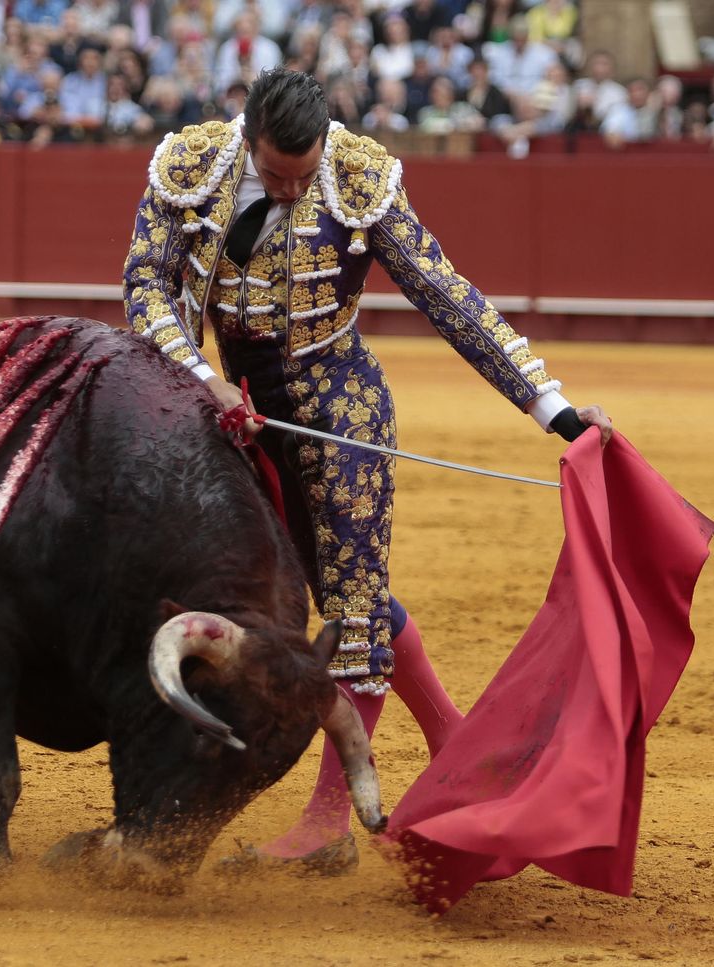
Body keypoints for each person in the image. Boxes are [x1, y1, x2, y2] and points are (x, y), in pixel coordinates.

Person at [122, 68, 610, 873]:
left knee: (351, 603)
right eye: (275, 175)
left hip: (341, 409)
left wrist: (553, 409)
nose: (290, 191)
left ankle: (328, 824)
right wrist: (202, 377)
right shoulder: (193, 166)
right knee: (303, 587)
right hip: (236, 413)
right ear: (248, 141)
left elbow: (446, 295)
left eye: (303, 174)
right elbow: (145, 285)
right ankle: (452, 733)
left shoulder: (357, 176)